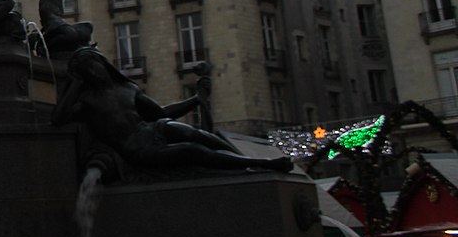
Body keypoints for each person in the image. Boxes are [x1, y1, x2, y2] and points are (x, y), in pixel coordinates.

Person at [51, 47, 292, 173]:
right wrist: (74, 84)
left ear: (103, 64)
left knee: (195, 134)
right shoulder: (88, 100)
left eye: (93, 64)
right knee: (191, 149)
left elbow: (160, 113)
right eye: (85, 69)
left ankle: (246, 163)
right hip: (137, 148)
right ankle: (260, 166)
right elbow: (58, 118)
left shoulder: (127, 88)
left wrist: (195, 100)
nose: (92, 71)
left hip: (151, 129)